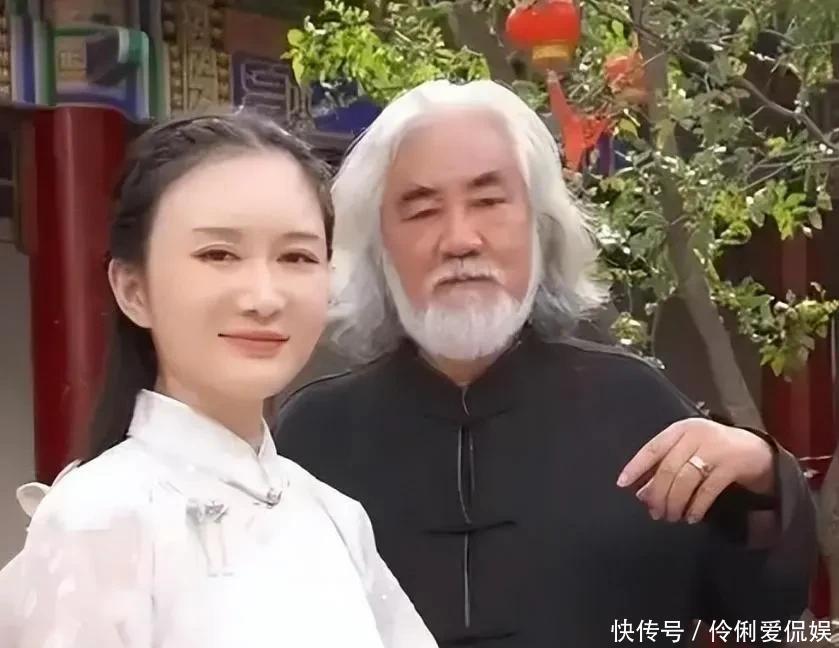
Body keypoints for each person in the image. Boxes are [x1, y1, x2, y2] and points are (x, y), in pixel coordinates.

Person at [274, 80, 818, 647]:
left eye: (489, 202)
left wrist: (764, 477)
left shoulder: (635, 406)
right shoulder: (314, 438)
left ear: (540, 225)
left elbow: (767, 615)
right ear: (378, 244)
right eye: (422, 210)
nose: (459, 240)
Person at [0, 113, 436, 648]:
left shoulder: (337, 518)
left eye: (296, 256)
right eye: (219, 255)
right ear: (133, 289)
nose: (264, 297)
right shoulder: (96, 520)